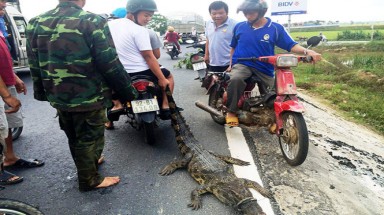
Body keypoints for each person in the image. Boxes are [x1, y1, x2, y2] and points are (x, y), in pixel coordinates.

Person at [26, 0, 138, 191]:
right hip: (89, 94)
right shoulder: (91, 21)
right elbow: (108, 61)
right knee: (89, 137)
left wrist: (41, 93)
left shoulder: (35, 22)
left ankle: (90, 161)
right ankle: (89, 179)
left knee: (73, 134)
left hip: (58, 94)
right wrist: (128, 91)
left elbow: (33, 61)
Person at [225, 0, 321, 127]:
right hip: (243, 63)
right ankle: (231, 111)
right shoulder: (240, 27)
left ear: (261, 12)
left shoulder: (275, 28)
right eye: (245, 13)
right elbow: (233, 47)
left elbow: (291, 45)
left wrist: (307, 51)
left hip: (265, 66)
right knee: (236, 79)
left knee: (277, 94)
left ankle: (272, 117)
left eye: (251, 13)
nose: (248, 16)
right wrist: (231, 63)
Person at [108, 0, 175, 120]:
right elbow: (149, 57)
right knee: (169, 77)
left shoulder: (111, 25)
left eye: (151, 15)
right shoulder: (140, 30)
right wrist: (161, 79)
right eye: (146, 15)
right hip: (143, 70)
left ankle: (117, 104)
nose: (149, 18)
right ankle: (165, 106)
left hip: (120, 72)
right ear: (133, 12)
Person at [1, 0, 45, 173]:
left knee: (7, 124)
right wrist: (6, 95)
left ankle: (10, 158)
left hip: (6, 82)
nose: (4, 4)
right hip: (2, 88)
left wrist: (15, 77)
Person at [0, 76, 23, 185]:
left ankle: (10, 158)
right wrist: (7, 96)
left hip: (4, 81)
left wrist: (13, 76)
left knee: (5, 125)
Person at [204, 1, 237, 73]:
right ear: (210, 14)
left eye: (221, 13)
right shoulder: (208, 23)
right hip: (213, 62)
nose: (217, 16)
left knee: (228, 83)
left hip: (228, 63)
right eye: (214, 13)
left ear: (227, 13)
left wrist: (232, 64)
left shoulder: (235, 25)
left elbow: (238, 45)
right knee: (213, 83)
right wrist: (206, 55)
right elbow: (208, 40)